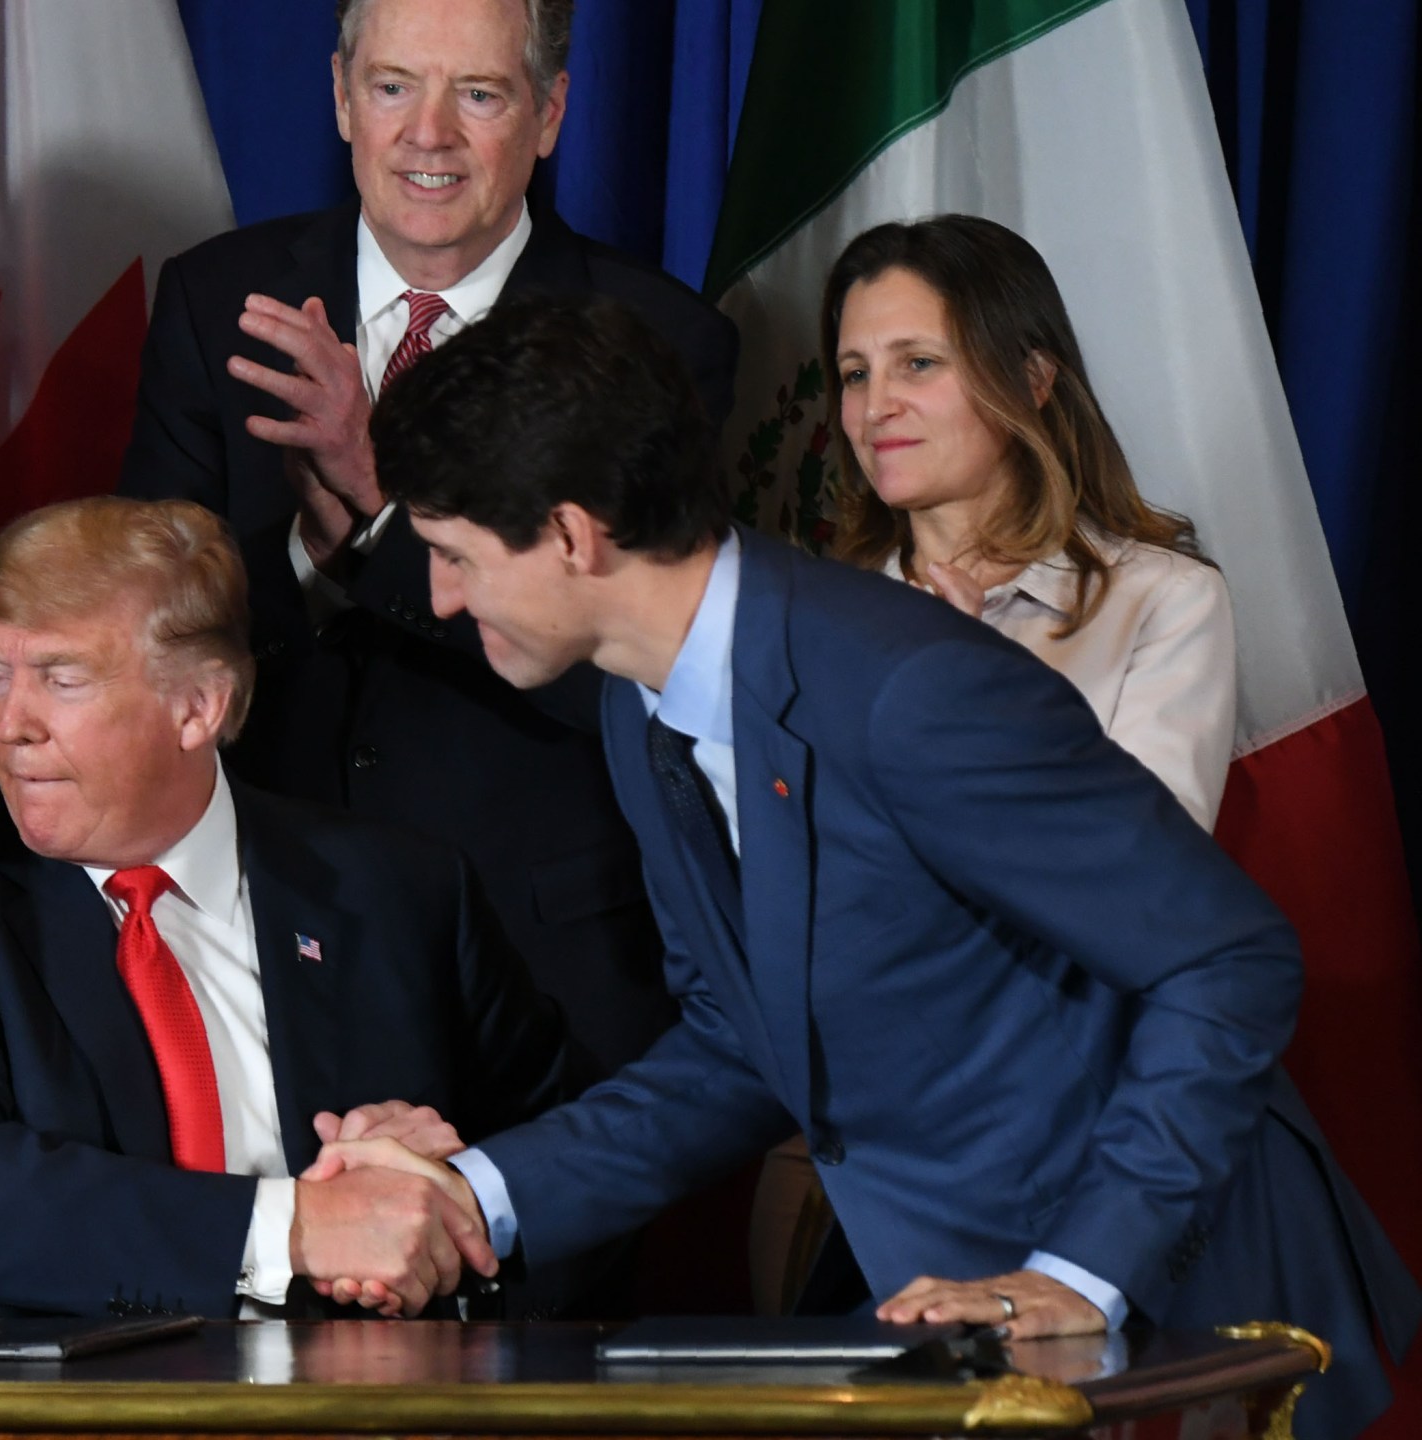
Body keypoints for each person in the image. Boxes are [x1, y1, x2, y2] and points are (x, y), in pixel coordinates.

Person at [319, 293, 1417, 1440]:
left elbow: (1227, 959)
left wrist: (1083, 1274)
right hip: (956, 1311)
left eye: (451, 554)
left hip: (1176, 1310)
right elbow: (743, 1048)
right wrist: (470, 1195)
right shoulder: (639, 710)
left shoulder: (908, 695)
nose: (439, 596)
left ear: (572, 535)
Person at [119, 0, 738, 1086]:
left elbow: (642, 687)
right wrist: (319, 559)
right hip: (253, 948)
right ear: (341, 98)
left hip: (545, 974)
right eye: (395, 85)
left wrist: (379, 524)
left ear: (547, 115)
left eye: (481, 95)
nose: (428, 134)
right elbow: (154, 638)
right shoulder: (218, 302)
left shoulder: (660, 344)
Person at [0, 496, 587, 1318]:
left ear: (199, 708)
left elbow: (570, 1151)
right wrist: (298, 1227)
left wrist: (457, 1183)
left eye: (61, 679)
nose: (11, 727)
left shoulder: (401, 890)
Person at [826, 215, 1234, 828]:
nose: (876, 407)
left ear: (1032, 379)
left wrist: (971, 699)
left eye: (918, 363)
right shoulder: (812, 614)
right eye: (856, 374)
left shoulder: (1166, 602)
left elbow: (1135, 884)